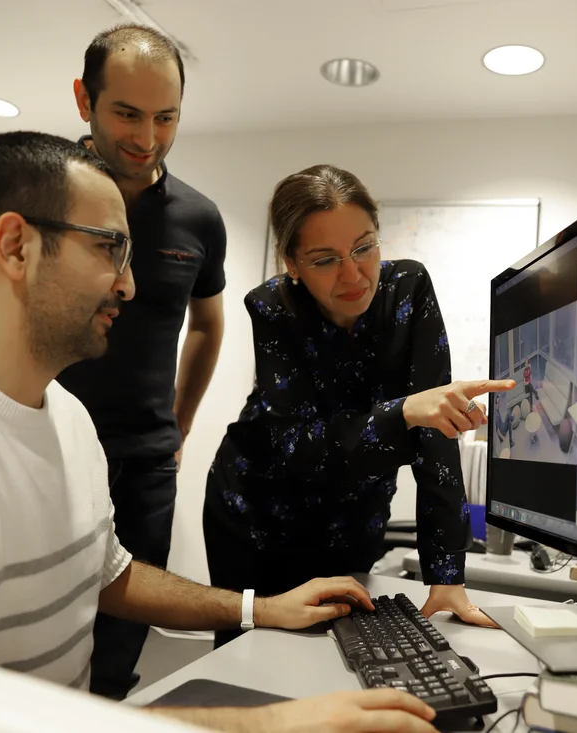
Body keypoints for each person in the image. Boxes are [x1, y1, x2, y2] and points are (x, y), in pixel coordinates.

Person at [0, 132, 440, 733]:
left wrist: (257, 609)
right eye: (109, 248)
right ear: (16, 246)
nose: (129, 285)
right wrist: (270, 723)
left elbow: (110, 574)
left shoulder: (68, 418)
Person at [0, 24, 226, 699]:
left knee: (109, 663)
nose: (148, 137)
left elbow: (207, 323)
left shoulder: (200, 218)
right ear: (85, 99)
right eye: (127, 113)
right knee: (7, 642)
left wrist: (181, 421)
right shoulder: (36, 188)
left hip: (141, 462)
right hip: (33, 444)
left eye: (166, 118)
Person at [203, 164, 515, 648]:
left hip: (355, 517)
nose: (353, 275)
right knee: (249, 660)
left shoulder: (408, 290)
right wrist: (406, 411)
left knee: (348, 654)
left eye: (364, 248)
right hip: (258, 514)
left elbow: (437, 435)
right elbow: (299, 447)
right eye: (325, 260)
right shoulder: (272, 307)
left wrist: (447, 575)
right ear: (292, 263)